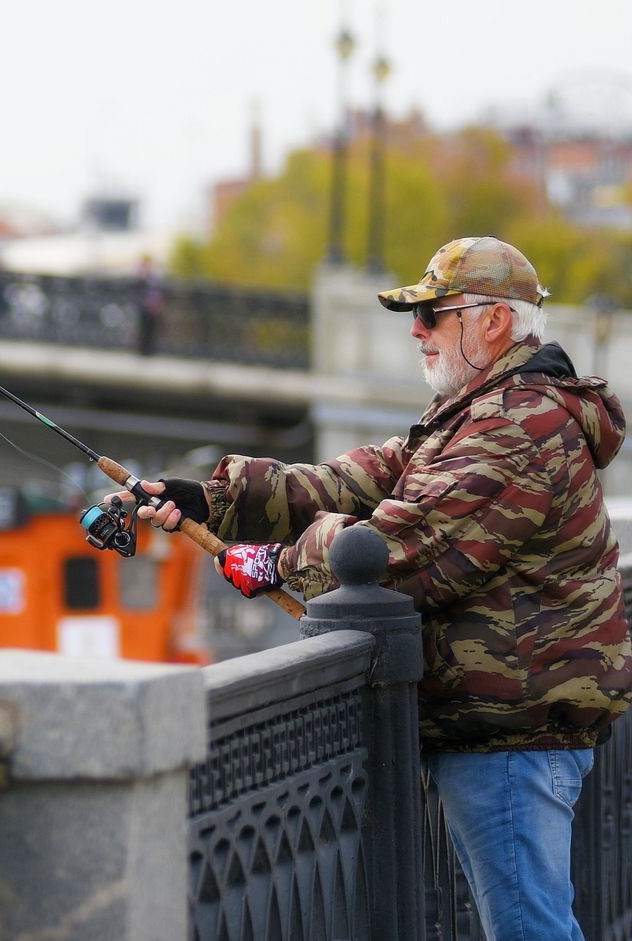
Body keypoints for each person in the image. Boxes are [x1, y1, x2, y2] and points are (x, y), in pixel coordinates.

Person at [117, 236, 629, 941]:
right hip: (502, 728)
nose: (416, 331)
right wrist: (211, 498)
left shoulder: (515, 427)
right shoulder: (482, 412)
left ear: (494, 322)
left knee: (531, 930)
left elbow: (395, 555)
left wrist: (275, 564)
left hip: (511, 738)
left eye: (433, 314)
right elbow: (354, 480)